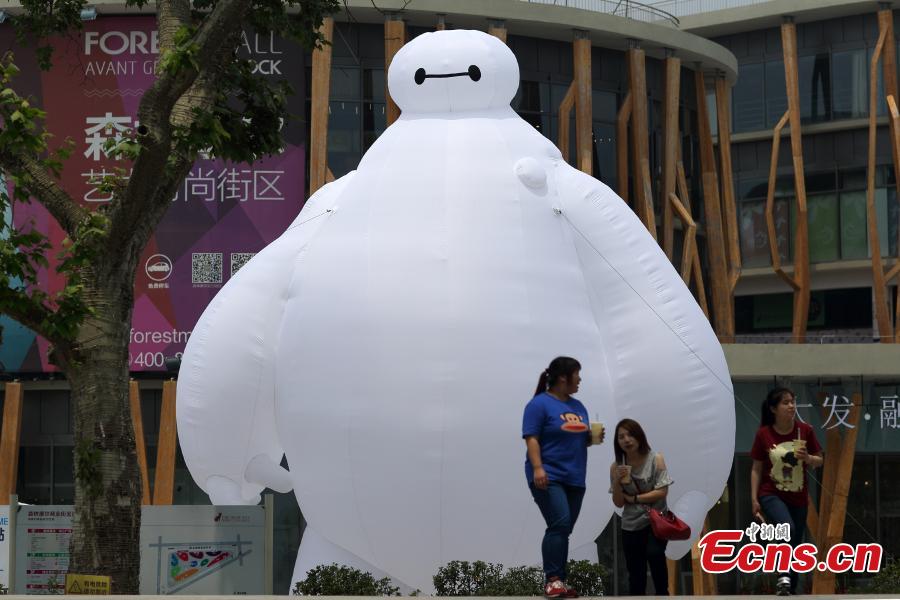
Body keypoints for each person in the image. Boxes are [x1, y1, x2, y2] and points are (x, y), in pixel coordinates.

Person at [523, 356, 603, 598]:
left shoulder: (579, 407)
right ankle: (553, 579)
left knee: (564, 527)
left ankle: (560, 582)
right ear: (562, 377)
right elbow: (532, 438)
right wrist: (538, 468)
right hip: (549, 475)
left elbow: (575, 437)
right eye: (577, 374)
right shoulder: (539, 405)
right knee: (559, 523)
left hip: (575, 477)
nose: (580, 380)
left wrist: (590, 438)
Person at [751, 387, 823, 596]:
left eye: (792, 401)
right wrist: (754, 498)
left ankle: (788, 587)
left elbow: (820, 459)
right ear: (774, 409)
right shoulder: (764, 434)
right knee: (786, 527)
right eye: (785, 402)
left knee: (795, 540)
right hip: (771, 493)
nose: (791, 406)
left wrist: (808, 458)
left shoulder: (805, 430)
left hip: (799, 496)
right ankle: (783, 573)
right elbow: (756, 468)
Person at [609, 418, 671, 596]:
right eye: (621, 437)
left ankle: (662, 595)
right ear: (617, 442)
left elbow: (662, 491)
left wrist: (635, 498)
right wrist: (618, 482)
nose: (626, 440)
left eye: (630, 435)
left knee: (655, 556)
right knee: (635, 573)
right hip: (630, 524)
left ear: (639, 437)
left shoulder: (656, 459)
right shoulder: (616, 467)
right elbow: (619, 502)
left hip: (656, 521)